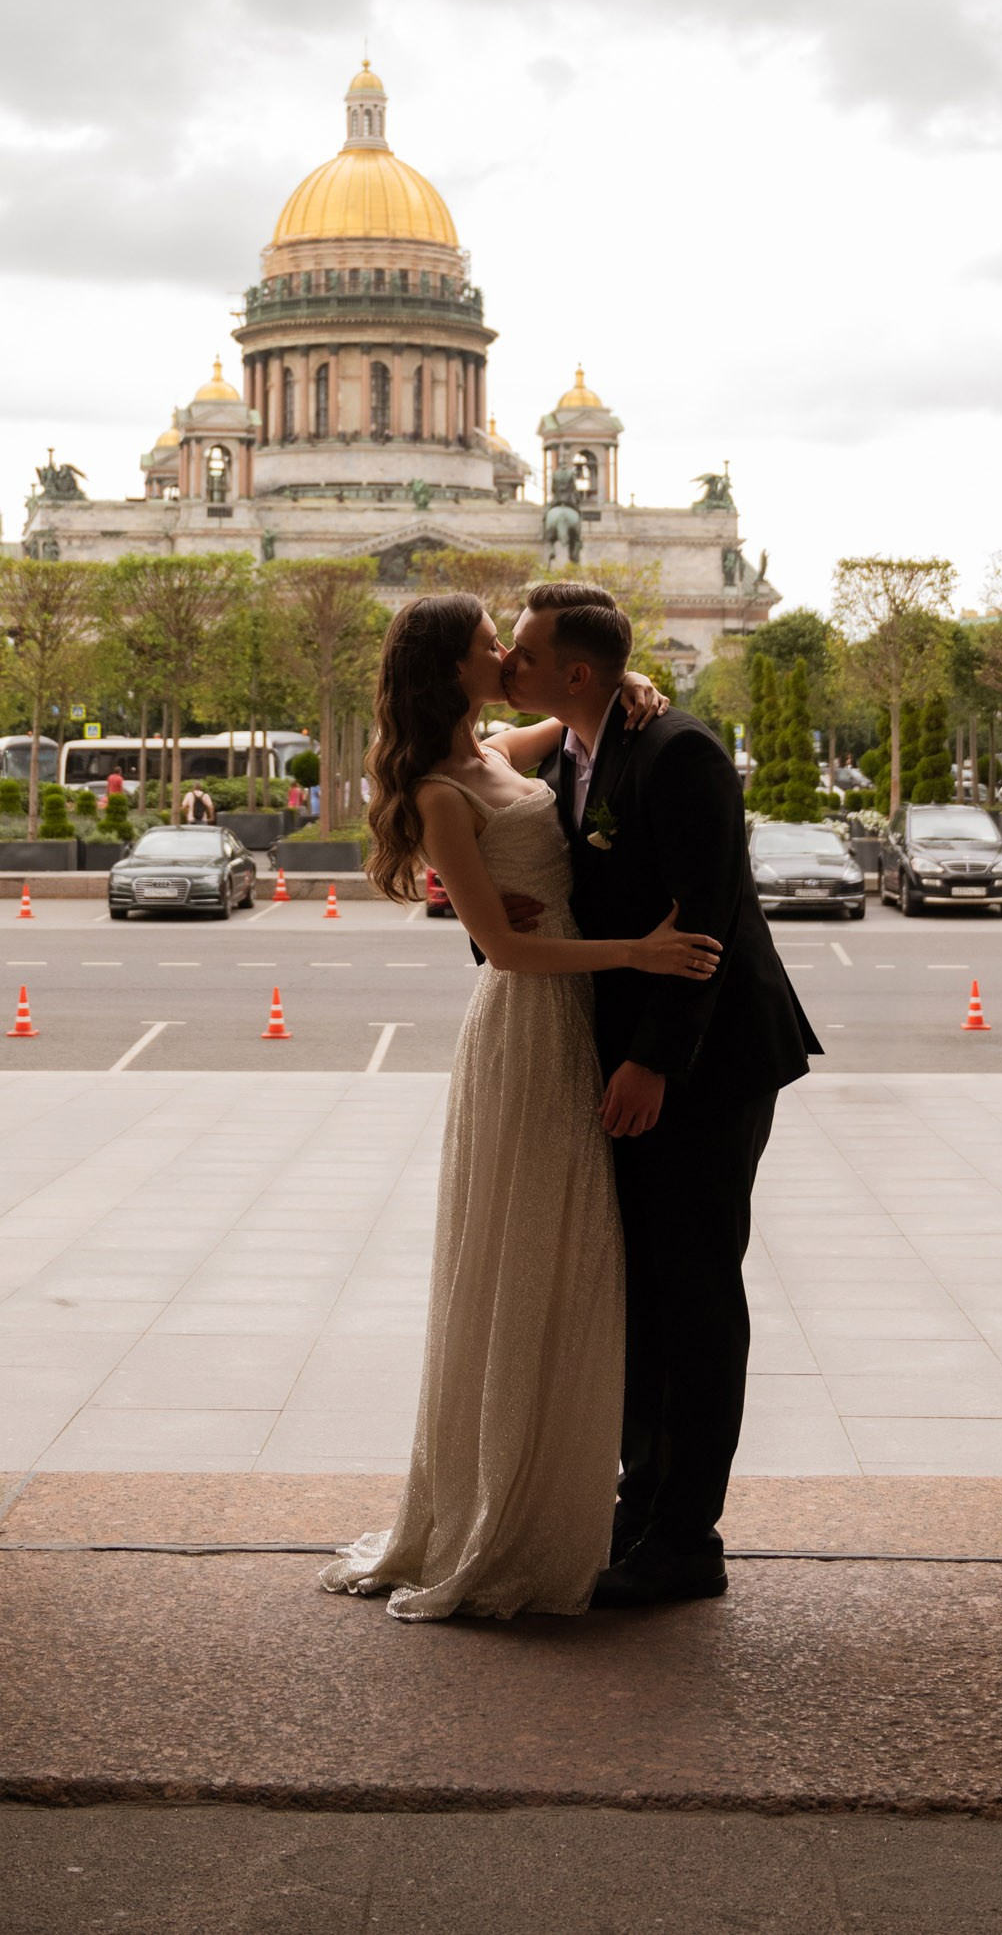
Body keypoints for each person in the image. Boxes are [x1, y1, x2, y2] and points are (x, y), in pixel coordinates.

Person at [320, 591, 714, 1620]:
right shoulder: (441, 790)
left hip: (576, 1016)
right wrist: (637, 952)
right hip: (531, 1027)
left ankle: (554, 1495)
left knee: (569, 1255)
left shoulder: (500, 748)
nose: (505, 654)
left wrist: (630, 680)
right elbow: (501, 946)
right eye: (490, 643)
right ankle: (505, 1508)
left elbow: (586, 707)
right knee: (527, 1251)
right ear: (450, 667)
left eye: (511, 642)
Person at [499, 580, 820, 1608]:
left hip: (707, 1062)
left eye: (522, 651)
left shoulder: (678, 751)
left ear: (573, 670)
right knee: (644, 1292)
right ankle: (641, 1506)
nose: (506, 664)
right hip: (628, 1058)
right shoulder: (570, 750)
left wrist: (652, 1062)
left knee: (695, 1294)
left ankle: (687, 1538)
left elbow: (706, 917)